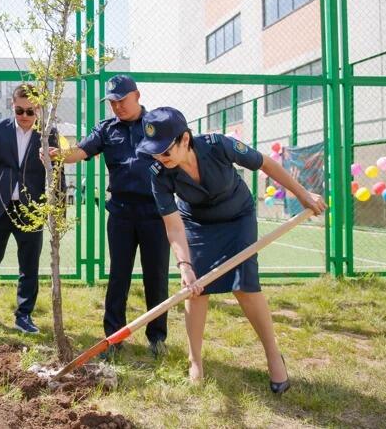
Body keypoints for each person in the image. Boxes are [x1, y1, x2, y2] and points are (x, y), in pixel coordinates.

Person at [136, 107, 326, 391]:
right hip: (198, 223)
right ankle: (195, 360)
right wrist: (184, 266)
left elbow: (266, 164)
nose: (159, 158)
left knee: (244, 285)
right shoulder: (159, 173)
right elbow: (173, 225)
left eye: (164, 151)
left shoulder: (218, 145)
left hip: (238, 217)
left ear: (185, 139)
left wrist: (302, 193)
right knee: (195, 289)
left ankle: (273, 356)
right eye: (153, 152)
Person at [48, 74, 170, 358]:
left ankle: (157, 338)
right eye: (112, 102)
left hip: (155, 212)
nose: (117, 107)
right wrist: (59, 155)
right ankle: (113, 338)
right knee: (118, 276)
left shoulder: (157, 124)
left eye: (122, 100)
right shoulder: (106, 129)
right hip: (121, 213)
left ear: (137, 96)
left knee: (156, 277)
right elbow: (81, 151)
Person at [0, 83, 60, 333]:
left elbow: (57, 171)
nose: (24, 116)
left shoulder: (48, 134)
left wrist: (56, 210)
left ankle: (24, 316)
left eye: (30, 111)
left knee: (29, 265)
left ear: (38, 109)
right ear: (12, 106)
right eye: (19, 110)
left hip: (31, 210)